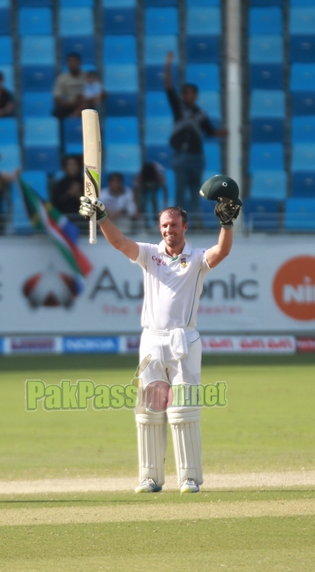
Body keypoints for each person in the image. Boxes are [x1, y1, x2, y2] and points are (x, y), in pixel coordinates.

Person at [79, 176, 241, 493]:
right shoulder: (149, 254)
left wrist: (228, 225)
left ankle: (189, 478)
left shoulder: (196, 259)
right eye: (164, 226)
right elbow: (119, 242)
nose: (169, 230)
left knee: (183, 412)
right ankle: (150, 478)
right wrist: (102, 218)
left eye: (174, 225)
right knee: (150, 412)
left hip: (184, 341)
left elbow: (222, 251)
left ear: (185, 227)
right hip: (151, 341)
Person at [164, 51, 227, 216]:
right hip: (181, 155)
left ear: (196, 96)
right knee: (180, 191)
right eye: (186, 93)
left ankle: (196, 221)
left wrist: (231, 132)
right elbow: (169, 89)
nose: (189, 96)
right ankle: (178, 221)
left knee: (195, 192)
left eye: (192, 93)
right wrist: (168, 64)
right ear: (183, 95)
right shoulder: (179, 108)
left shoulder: (201, 114)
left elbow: (211, 131)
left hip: (196, 156)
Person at [50, 154, 85, 231]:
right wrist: (69, 194)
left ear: (79, 166)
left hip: (83, 223)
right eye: (69, 164)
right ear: (65, 167)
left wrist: (78, 195)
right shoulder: (59, 184)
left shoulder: (86, 183)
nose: (72, 167)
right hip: (64, 224)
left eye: (74, 164)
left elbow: (92, 205)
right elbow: (54, 205)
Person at [135, 161, 169, 229]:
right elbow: (136, 191)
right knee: (142, 200)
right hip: (143, 186)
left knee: (153, 198)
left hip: (155, 183)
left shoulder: (160, 176)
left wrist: (165, 206)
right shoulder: (140, 178)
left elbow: (165, 192)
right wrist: (138, 207)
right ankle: (145, 223)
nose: (149, 185)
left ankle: (156, 221)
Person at [52, 52, 87, 120]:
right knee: (57, 113)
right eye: (70, 61)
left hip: (84, 104)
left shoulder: (87, 77)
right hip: (68, 104)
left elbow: (100, 93)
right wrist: (71, 104)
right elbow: (57, 99)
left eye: (75, 61)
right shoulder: (62, 78)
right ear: (67, 63)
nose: (73, 63)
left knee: (91, 111)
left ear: (80, 63)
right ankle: (60, 130)